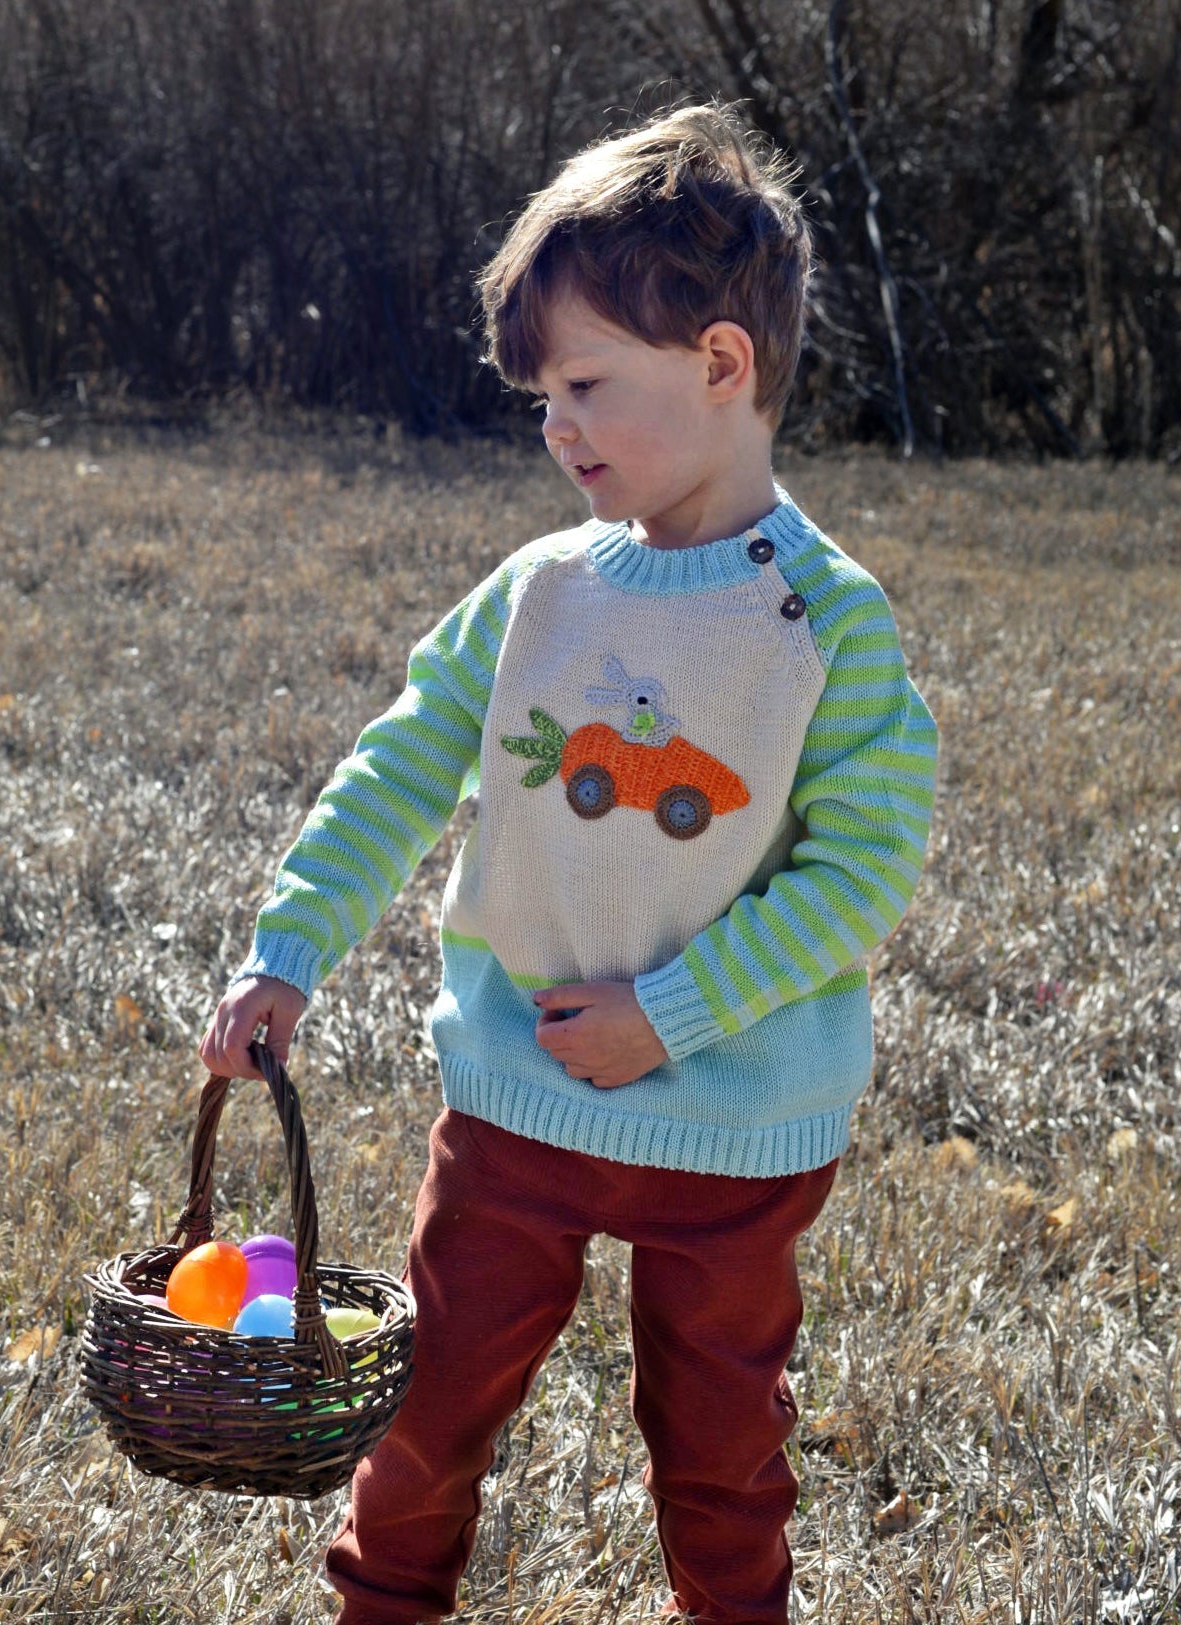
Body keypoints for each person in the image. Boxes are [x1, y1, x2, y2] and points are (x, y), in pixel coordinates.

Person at [199, 102, 939, 1625]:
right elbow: (401, 763)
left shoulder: (826, 624)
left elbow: (858, 878)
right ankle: (379, 1604)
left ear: (722, 365)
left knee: (720, 1450)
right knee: (425, 1410)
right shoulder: (536, 592)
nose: (558, 426)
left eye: (588, 385)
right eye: (544, 395)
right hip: (515, 1105)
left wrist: (668, 1013)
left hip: (736, 1130)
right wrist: (289, 946)